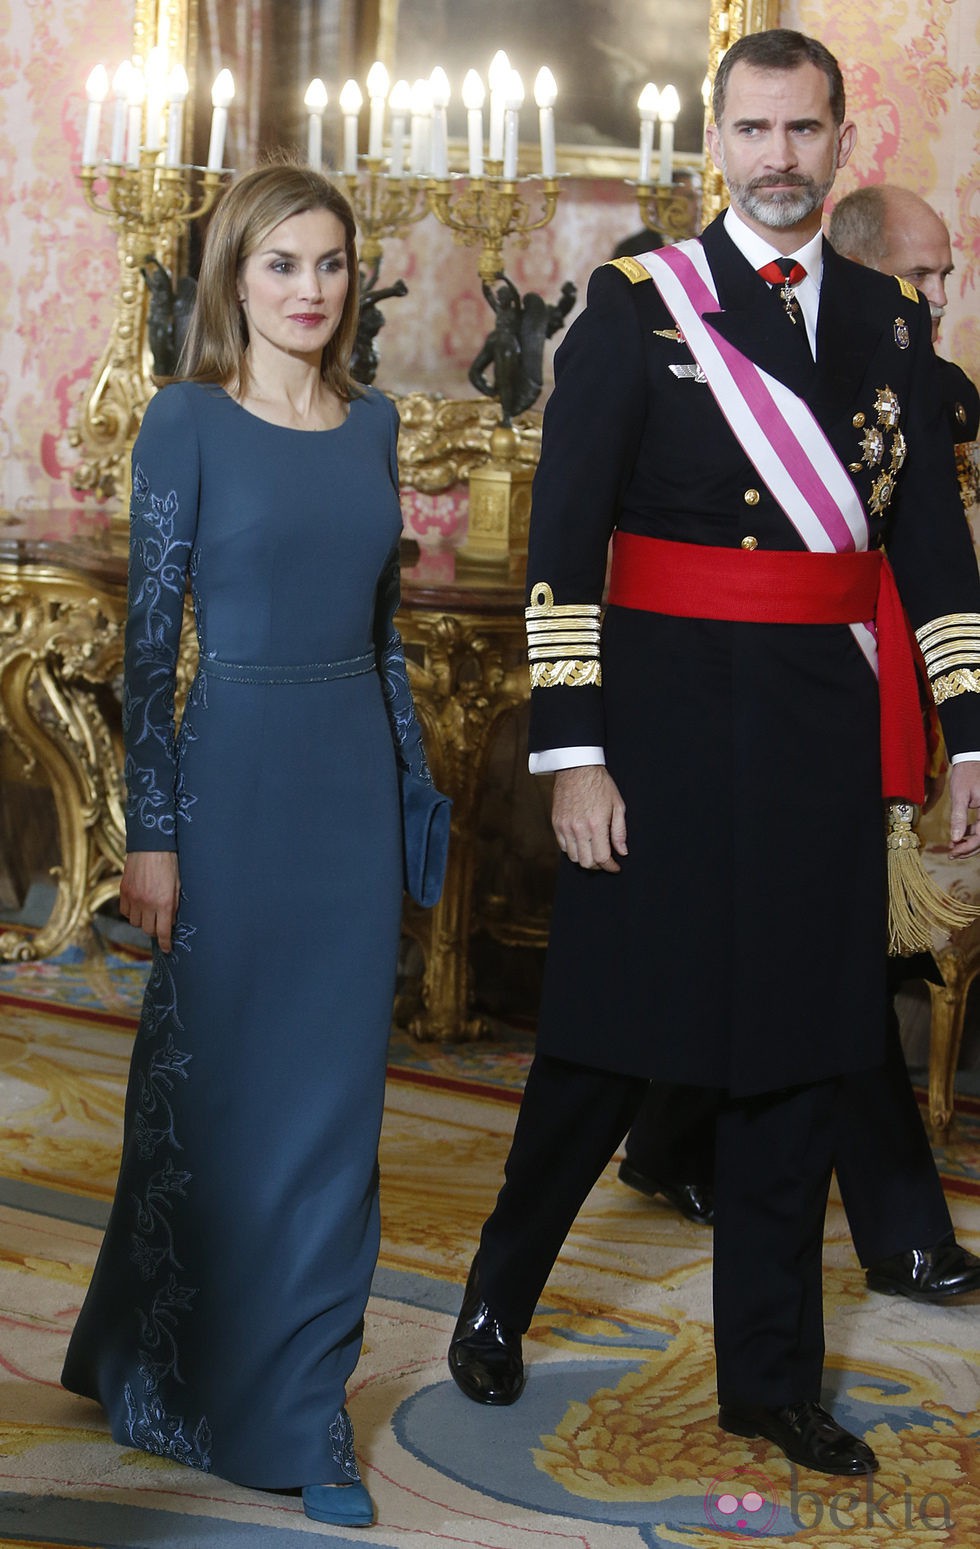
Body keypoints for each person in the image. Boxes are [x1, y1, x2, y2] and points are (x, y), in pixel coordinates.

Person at [448, 28, 980, 1480]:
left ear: (839, 134)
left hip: (815, 728)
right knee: (608, 1042)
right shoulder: (638, 309)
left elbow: (930, 543)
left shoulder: (884, 320)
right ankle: (499, 1290)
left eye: (804, 131)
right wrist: (575, 754)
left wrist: (970, 734)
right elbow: (564, 551)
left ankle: (770, 1381)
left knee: (801, 1060)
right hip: (658, 727)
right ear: (716, 142)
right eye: (753, 131)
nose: (779, 159)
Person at [61, 163, 441, 1530]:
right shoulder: (187, 422)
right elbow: (149, 649)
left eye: (332, 263)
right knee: (211, 1092)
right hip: (228, 781)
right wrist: (149, 836)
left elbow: (387, 634)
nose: (311, 290)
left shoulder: (376, 425)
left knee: (333, 1114)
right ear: (232, 277)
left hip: (345, 784)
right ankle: (142, 1353)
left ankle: (303, 1417)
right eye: (282, 264)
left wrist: (414, 795)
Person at [620, 184, 980, 1305]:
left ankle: (674, 1139)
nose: (932, 298)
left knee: (802, 951)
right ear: (859, 268)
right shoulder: (771, 352)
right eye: (916, 277)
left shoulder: (907, 361)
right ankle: (896, 1224)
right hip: (794, 664)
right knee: (822, 956)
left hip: (866, 654)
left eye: (942, 277)